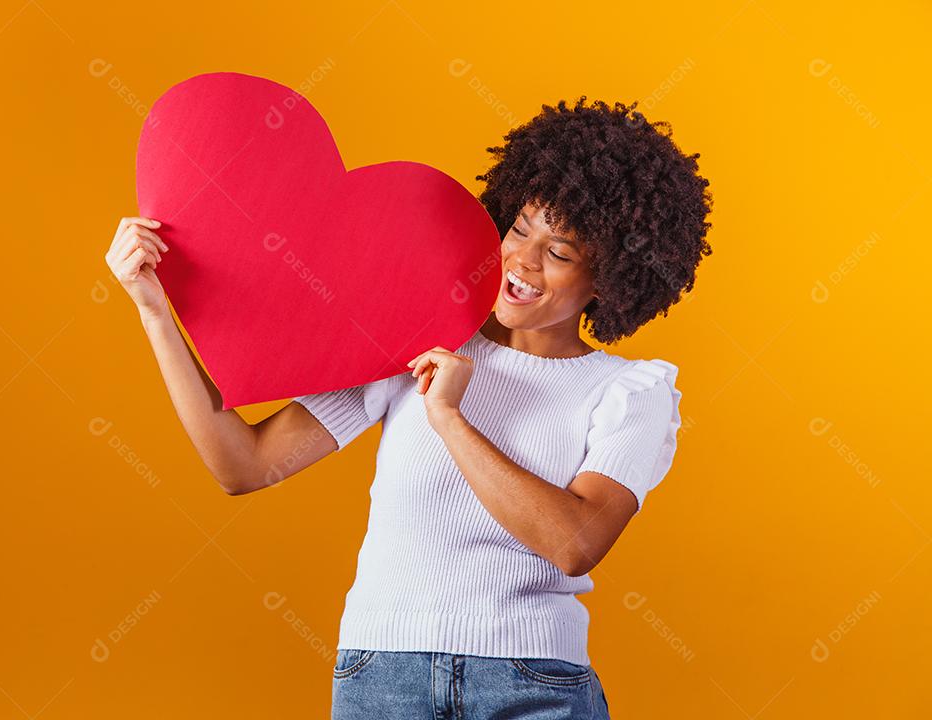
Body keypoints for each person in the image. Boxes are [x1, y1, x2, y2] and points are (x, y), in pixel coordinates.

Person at [104, 95, 713, 719]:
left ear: (609, 279)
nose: (523, 262)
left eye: (560, 253)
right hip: (382, 676)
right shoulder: (417, 334)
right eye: (520, 229)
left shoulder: (631, 392)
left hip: (536, 685)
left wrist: (448, 417)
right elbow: (245, 464)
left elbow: (573, 541)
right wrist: (154, 307)